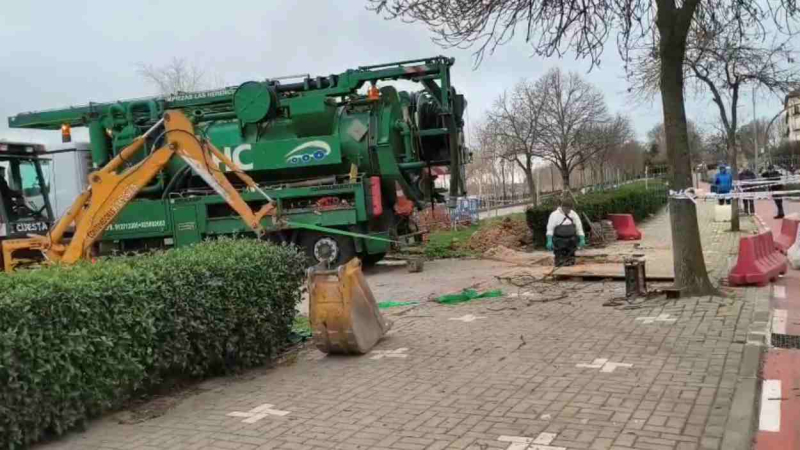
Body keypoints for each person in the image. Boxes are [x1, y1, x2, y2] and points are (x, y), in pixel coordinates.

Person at [545, 197, 586, 267]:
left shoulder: (573, 214)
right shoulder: (554, 215)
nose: (569, 211)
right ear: (562, 207)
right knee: (560, 260)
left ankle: (570, 272)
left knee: (571, 260)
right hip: (559, 241)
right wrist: (549, 240)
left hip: (571, 241)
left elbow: (579, 227)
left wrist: (582, 238)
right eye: (567, 209)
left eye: (570, 209)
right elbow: (550, 229)